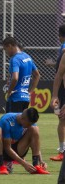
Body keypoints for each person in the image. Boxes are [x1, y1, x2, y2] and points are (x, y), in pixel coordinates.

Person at [0, 107, 49, 175]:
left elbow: (35, 142)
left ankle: (36, 166)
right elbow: (7, 147)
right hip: (0, 150)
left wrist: (41, 160)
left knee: (35, 129)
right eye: (29, 124)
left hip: (18, 150)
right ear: (23, 119)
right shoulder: (7, 120)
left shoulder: (30, 122)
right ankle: (1, 166)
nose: (29, 126)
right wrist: (24, 164)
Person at [2, 36, 40, 113]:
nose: (6, 53)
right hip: (25, 98)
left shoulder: (15, 59)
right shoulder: (27, 57)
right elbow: (37, 75)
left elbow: (15, 78)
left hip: (15, 97)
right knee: (22, 123)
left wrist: (9, 92)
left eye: (5, 49)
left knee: (11, 123)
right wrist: (30, 92)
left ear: (9, 46)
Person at [49, 25, 65, 161]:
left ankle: (62, 150)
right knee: (61, 118)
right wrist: (55, 95)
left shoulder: (63, 48)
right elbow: (59, 74)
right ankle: (62, 150)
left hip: (62, 91)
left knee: (62, 119)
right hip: (62, 91)